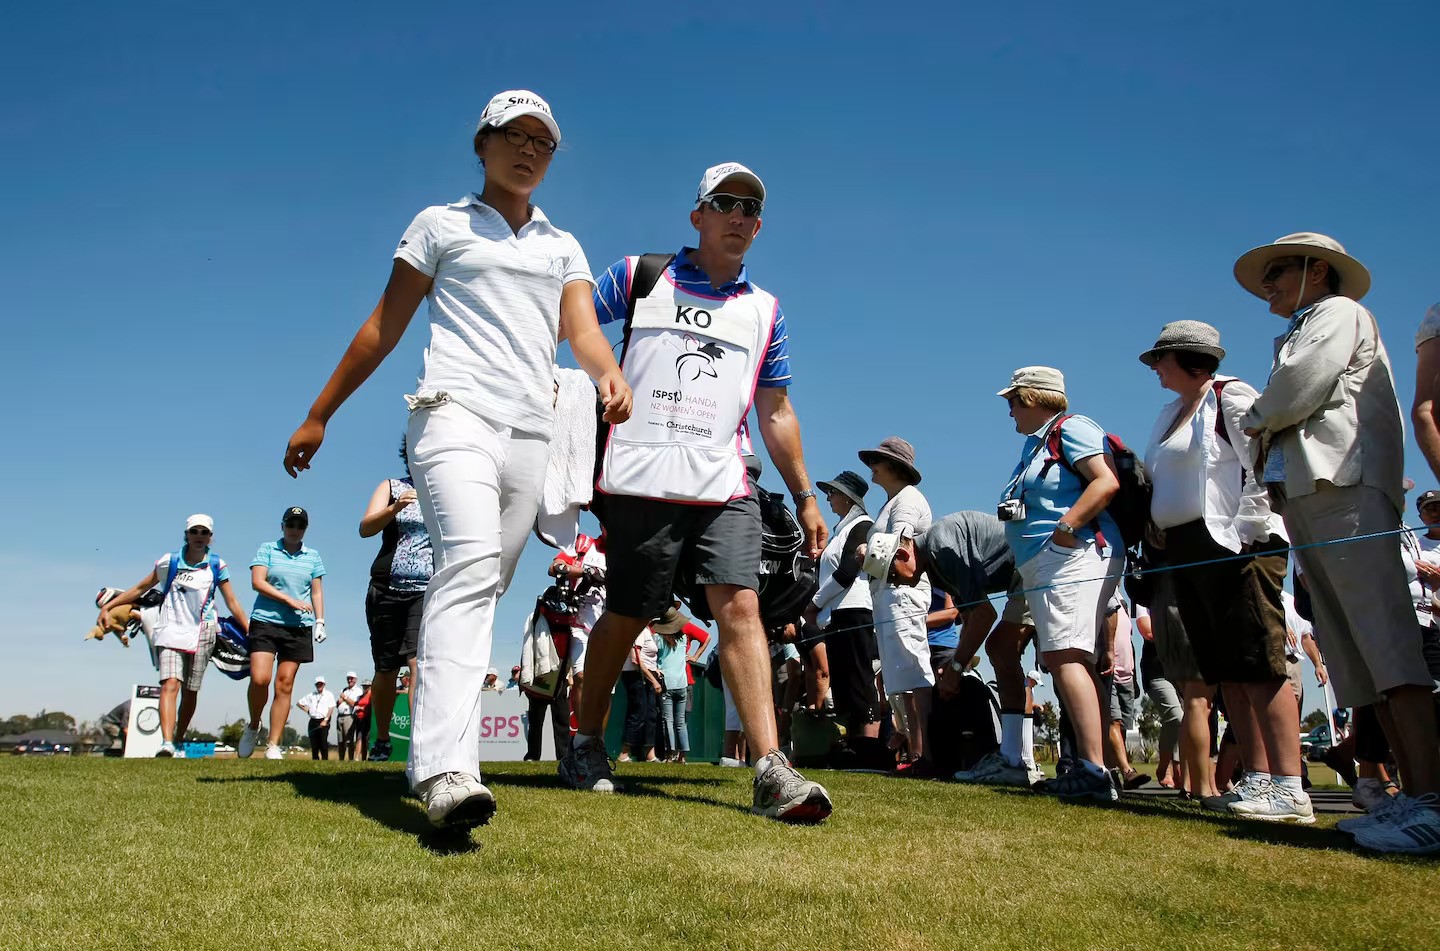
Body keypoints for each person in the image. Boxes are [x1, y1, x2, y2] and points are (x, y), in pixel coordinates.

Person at [280, 90, 632, 830]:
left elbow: (582, 330)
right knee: (469, 564)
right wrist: (320, 413)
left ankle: (437, 757)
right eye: (515, 135)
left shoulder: (562, 244)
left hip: (532, 432)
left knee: (483, 586)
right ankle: (446, 768)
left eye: (544, 141)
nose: (529, 150)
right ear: (483, 144)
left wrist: (606, 371)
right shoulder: (439, 225)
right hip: (451, 415)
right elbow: (383, 325)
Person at [561, 162, 832, 823]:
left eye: (751, 209)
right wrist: (603, 377)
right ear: (699, 214)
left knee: (740, 605)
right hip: (641, 478)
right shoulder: (638, 275)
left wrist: (804, 494)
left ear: (758, 226)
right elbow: (576, 323)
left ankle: (771, 768)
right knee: (627, 611)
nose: (739, 216)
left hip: (725, 480)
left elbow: (775, 410)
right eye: (726, 203)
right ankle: (586, 743)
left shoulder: (766, 310)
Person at [1234, 233, 1439, 851]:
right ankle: (1409, 797)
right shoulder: (1307, 322)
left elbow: (1298, 388)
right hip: (1309, 493)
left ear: (1316, 272)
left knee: (1385, 641)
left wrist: (1250, 419)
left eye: (1277, 274)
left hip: (1344, 486)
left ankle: (1431, 798)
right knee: (1354, 653)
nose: (1267, 285)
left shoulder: (1338, 314)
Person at [1139, 320, 1309, 822]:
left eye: (1160, 360)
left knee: (1258, 657)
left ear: (1188, 359)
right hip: (1187, 548)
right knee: (1224, 667)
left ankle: (1290, 784)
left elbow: (1260, 460)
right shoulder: (1171, 412)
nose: (1154, 369)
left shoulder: (1231, 396)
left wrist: (1250, 530)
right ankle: (1257, 778)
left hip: (1238, 544)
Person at [996, 366, 1123, 801]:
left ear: (1032, 398)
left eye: (1012, 400)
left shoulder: (1072, 428)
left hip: (1071, 555)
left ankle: (1093, 769)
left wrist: (1067, 527)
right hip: (1046, 563)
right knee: (1062, 656)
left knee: (1066, 654)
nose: (1008, 409)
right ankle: (1089, 765)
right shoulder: (1036, 445)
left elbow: (1105, 481)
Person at [863, 511, 1040, 786]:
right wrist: (957, 663)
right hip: (1027, 566)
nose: (895, 583)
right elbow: (969, 615)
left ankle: (1014, 761)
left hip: (1033, 562)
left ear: (902, 554)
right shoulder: (934, 563)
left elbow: (984, 616)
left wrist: (956, 668)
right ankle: (1014, 758)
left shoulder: (939, 549)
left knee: (1000, 649)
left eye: (892, 575)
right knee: (1001, 651)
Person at [97, 514, 250, 758]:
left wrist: (250, 630)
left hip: (203, 631)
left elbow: (232, 602)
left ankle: (179, 740)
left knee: (190, 690)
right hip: (170, 629)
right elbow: (140, 588)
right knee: (170, 684)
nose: (199, 536)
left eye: (204, 532)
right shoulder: (170, 561)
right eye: (194, 531)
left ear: (210, 537)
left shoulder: (217, 565)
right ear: (187, 534)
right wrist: (108, 606)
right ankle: (166, 743)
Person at [861, 437, 936, 774]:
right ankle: (913, 751)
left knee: (913, 670)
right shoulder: (893, 501)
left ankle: (924, 753)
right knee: (899, 675)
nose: (872, 467)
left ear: (894, 467)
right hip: (888, 593)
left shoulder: (906, 501)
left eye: (878, 460)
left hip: (902, 591)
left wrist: (866, 556)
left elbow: (901, 552)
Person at [358, 436, 432, 763]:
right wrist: (395, 507)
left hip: (426, 590)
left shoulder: (446, 492)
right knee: (386, 669)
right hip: (386, 589)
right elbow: (365, 528)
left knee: (419, 663)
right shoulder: (391, 486)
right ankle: (383, 739)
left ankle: (418, 742)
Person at [238, 507, 326, 762]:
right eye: (291, 524)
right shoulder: (268, 549)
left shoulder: (313, 556)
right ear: (283, 525)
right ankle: (254, 725)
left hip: (298, 626)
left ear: (305, 529)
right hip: (266, 621)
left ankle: (273, 744)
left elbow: (316, 591)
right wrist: (288, 599)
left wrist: (320, 620)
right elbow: (258, 581)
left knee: (285, 683)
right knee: (260, 678)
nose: (294, 529)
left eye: (300, 525)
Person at [803, 470, 880, 739]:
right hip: (837, 614)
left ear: (848, 498)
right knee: (845, 682)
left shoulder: (863, 525)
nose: (828, 498)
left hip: (855, 610)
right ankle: (854, 744)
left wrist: (814, 603)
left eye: (832, 493)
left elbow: (848, 571)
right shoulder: (841, 531)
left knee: (860, 679)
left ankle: (869, 745)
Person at [654, 607, 693, 763]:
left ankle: (670, 754)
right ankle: (683, 756)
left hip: (667, 683)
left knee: (668, 720)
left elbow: (654, 657)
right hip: (682, 683)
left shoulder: (659, 639)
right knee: (680, 722)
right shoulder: (683, 639)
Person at [618, 627, 662, 763]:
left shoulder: (649, 631)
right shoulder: (640, 630)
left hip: (647, 674)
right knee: (638, 712)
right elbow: (636, 659)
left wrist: (656, 671)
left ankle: (650, 754)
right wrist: (653, 680)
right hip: (636, 674)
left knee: (650, 715)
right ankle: (624, 753)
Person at [298, 676, 336, 760]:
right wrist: (307, 710)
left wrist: (326, 720)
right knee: (314, 743)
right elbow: (299, 703)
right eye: (318, 684)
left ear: (324, 684)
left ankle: (324, 759)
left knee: (323, 742)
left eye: (321, 684)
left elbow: (331, 708)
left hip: (323, 720)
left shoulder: (328, 695)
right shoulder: (311, 695)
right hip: (313, 720)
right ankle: (315, 759)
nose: (319, 686)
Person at [336, 672, 363, 761]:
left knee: (349, 740)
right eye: (348, 678)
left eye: (351, 678)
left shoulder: (358, 691)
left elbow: (355, 704)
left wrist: (345, 698)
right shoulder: (344, 689)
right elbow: (338, 703)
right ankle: (341, 759)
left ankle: (351, 758)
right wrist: (339, 701)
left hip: (349, 716)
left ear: (355, 679)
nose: (349, 680)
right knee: (340, 740)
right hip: (340, 715)